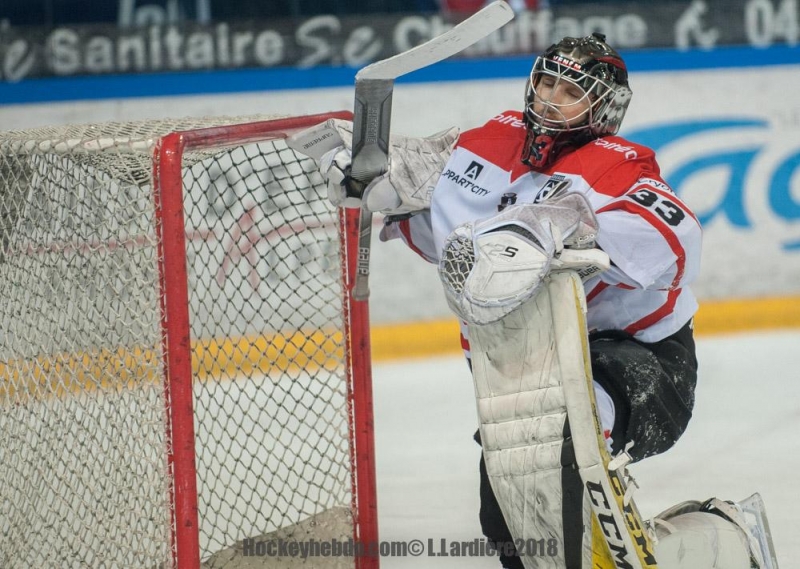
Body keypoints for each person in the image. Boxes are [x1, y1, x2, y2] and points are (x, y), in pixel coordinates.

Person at [296, 32, 777, 569]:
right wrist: (383, 188)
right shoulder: (488, 141)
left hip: (637, 361)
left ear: (604, 105)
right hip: (521, 373)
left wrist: (562, 224)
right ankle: (721, 545)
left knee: (562, 444)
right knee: (513, 532)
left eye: (570, 90)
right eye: (545, 82)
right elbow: (452, 238)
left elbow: (676, 237)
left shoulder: (617, 165)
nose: (550, 97)